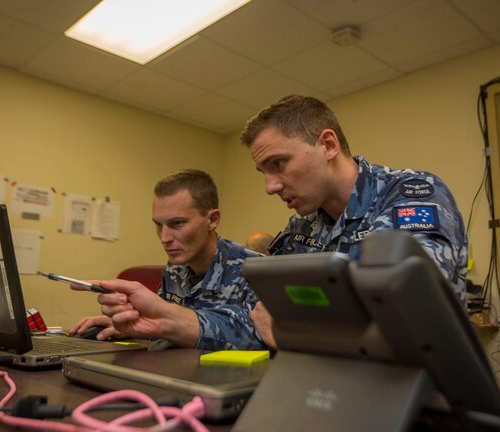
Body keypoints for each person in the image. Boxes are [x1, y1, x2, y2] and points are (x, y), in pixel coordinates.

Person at [240, 95, 468, 350]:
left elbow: (410, 307)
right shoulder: (302, 226)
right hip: (327, 379)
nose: (270, 187)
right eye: (264, 172)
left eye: (278, 163)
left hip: (419, 380)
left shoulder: (411, 193)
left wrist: (295, 333)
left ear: (328, 145)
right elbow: (258, 308)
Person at [69, 169, 265, 351]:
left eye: (177, 223)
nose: (164, 238)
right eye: (158, 225)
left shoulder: (258, 271)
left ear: (212, 220)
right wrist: (129, 326)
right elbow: (162, 327)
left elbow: (264, 343)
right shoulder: (176, 267)